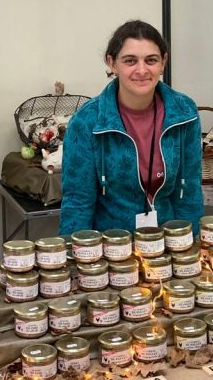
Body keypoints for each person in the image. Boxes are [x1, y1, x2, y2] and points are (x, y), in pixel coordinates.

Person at [59, 20, 203, 236]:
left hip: (168, 244)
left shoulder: (184, 112)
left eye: (151, 60)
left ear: (163, 62)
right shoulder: (87, 121)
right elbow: (78, 202)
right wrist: (74, 260)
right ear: (112, 63)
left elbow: (189, 193)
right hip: (110, 249)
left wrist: (192, 250)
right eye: (130, 61)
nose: (142, 70)